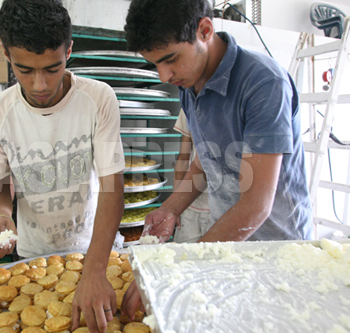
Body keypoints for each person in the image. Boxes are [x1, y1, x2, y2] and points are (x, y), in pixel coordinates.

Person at [121, 0, 313, 319]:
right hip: (226, 245)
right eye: (154, 64)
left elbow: (256, 205)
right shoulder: (190, 83)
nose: (164, 75)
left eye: (170, 60)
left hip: (277, 251)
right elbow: (208, 160)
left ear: (205, 30)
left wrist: (176, 267)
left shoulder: (263, 84)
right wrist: (170, 208)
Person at [0, 0, 125, 332]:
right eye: (25, 70)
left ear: (69, 50)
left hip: (94, 248)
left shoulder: (98, 99)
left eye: (52, 68)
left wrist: (96, 270)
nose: (39, 85)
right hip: (33, 254)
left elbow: (114, 187)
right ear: (6, 54)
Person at [173, 109, 212, 243]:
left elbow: (183, 158)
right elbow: (184, 158)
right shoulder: (188, 105)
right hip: (190, 203)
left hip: (223, 209)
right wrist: (175, 205)